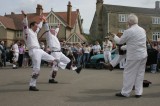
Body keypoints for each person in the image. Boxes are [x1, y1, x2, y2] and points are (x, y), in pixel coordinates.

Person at [109, 14, 147, 98]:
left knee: (128, 73)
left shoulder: (128, 31)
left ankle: (125, 92)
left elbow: (119, 41)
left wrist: (114, 36)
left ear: (129, 22)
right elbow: (137, 43)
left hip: (134, 56)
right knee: (140, 74)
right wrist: (124, 47)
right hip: (143, 54)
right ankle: (138, 92)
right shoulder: (142, 30)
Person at [21, 10, 58, 91]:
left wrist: (42, 20)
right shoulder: (27, 32)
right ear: (32, 26)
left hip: (39, 50)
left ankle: (52, 76)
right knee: (37, 69)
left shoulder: (34, 32)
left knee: (55, 60)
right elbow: (25, 25)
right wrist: (25, 17)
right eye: (36, 25)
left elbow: (40, 26)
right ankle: (32, 85)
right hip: (34, 51)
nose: (37, 26)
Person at [43, 19, 82, 83]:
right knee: (55, 67)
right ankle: (51, 79)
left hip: (59, 52)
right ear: (50, 31)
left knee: (68, 61)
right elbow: (47, 29)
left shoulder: (54, 36)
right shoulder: (49, 36)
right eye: (52, 30)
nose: (54, 30)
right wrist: (45, 22)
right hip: (55, 53)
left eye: (54, 30)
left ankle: (76, 69)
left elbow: (56, 31)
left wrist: (58, 27)